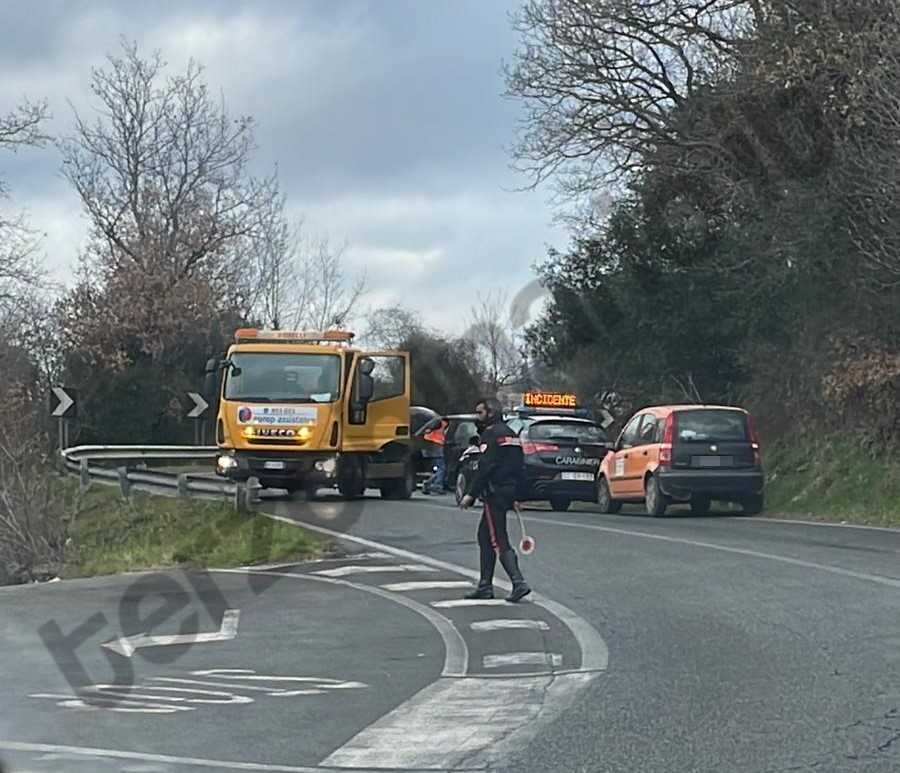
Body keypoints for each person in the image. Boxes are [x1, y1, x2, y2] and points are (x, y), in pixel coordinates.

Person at [459, 397, 531, 602]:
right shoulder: (511, 434)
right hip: (509, 490)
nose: (477, 417)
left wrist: (470, 494)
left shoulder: (490, 435)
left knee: (497, 538)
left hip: (494, 491)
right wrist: (518, 496)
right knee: (484, 536)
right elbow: (520, 467)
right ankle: (485, 585)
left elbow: (486, 467)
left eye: (480, 413)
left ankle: (518, 582)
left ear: (490, 413)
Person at [421, 417, 448, 495]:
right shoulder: (442, 423)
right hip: (436, 446)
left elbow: (426, 431)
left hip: (427, 446)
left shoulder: (432, 422)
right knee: (441, 468)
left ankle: (427, 484)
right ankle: (437, 485)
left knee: (436, 469)